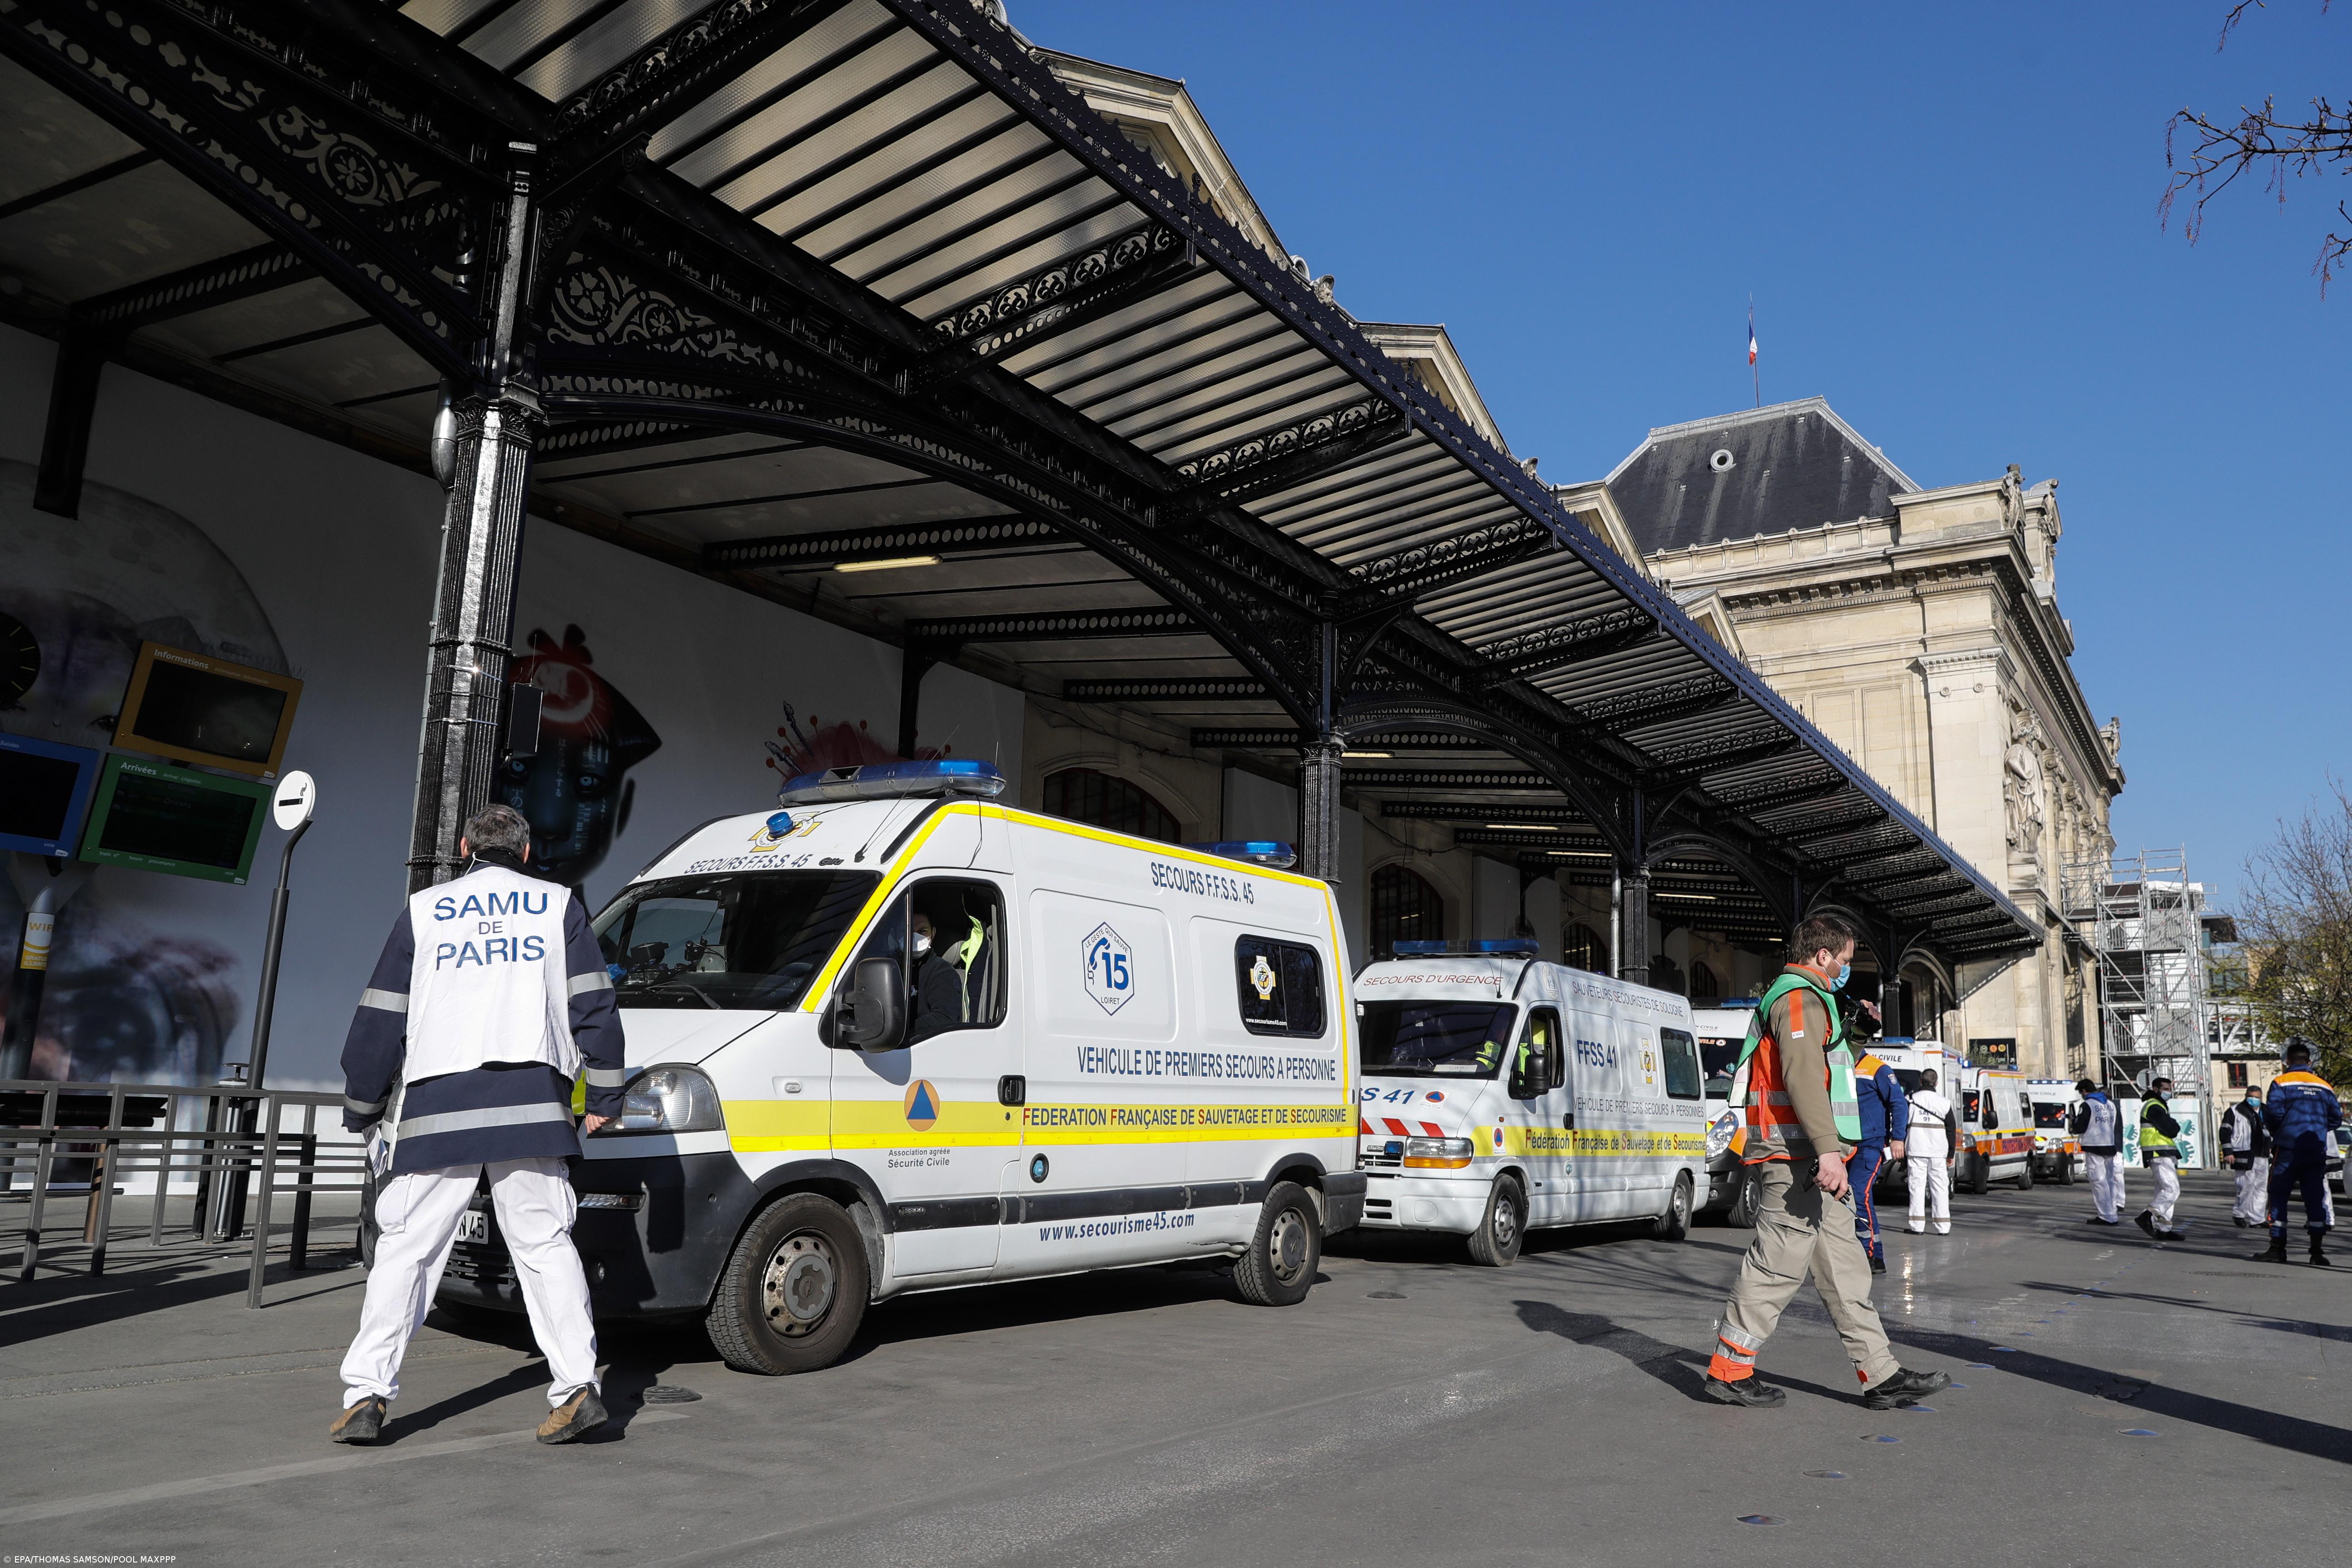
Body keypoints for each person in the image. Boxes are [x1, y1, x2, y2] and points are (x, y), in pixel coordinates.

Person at [330, 804, 626, 1446]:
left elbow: (381, 1013)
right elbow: (591, 1001)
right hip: (533, 1104)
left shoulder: (425, 909)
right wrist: (604, 1090)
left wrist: (363, 1102)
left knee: (407, 1248)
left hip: (441, 1104)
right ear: (524, 853)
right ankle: (576, 1387)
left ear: (465, 847)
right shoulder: (558, 904)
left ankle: (367, 1397)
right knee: (546, 1245)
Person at [1703, 914, 1949, 1411]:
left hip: (1811, 1158)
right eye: (1844, 961)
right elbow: (1801, 1078)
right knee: (1778, 1262)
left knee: (1846, 1268)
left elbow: (1828, 1069)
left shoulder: (1815, 1003)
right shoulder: (1798, 998)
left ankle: (1881, 1376)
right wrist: (1829, 1152)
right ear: (1822, 957)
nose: (1846, 971)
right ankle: (1728, 1370)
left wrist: (1855, 1034)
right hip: (1797, 1158)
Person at [2257, 1039, 2343, 1266]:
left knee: (2278, 1196)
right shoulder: (2324, 1086)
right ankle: (2316, 1252)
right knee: (2315, 1198)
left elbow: (2273, 1113)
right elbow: (2336, 1118)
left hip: (2287, 1148)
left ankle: (2278, 1249)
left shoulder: (2281, 1082)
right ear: (2310, 1061)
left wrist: (2280, 1131)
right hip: (2315, 1150)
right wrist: (2318, 1129)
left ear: (2287, 1062)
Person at [1849, 1047, 1910, 1273]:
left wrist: (1898, 1138)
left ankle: (1869, 1252)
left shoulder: (1877, 1068)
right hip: (1845, 1143)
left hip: (1870, 1143)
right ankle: (1871, 1253)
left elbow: (1899, 1104)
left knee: (1858, 1192)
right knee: (1856, 1197)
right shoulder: (1839, 1065)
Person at [1903, 1068, 1958, 1236]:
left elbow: (1902, 1125)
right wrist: (1950, 1154)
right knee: (1940, 1188)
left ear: (1921, 1081)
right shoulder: (1945, 1103)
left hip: (1916, 1149)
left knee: (1916, 1187)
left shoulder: (1910, 1100)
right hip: (1938, 1152)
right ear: (1937, 1083)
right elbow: (1951, 1129)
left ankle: (1917, 1226)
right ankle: (1943, 1227)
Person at [2069, 1077, 2125, 1226]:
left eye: (2081, 1093)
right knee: (2109, 1180)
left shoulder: (2088, 1105)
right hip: (2110, 1145)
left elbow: (2080, 1127)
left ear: (2084, 1091)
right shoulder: (2111, 1105)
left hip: (2094, 1146)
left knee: (2098, 1181)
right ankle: (2112, 1211)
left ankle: (2106, 1216)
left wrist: (2074, 1123)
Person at [2134, 1078, 2185, 1241]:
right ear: (2156, 1089)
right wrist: (2174, 1126)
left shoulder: (2158, 1105)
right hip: (2159, 1153)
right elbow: (2171, 1129)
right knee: (2172, 1190)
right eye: (2165, 1089)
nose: (2168, 1092)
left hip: (2161, 1152)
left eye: (2170, 1089)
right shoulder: (2154, 1106)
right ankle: (2148, 1215)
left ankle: (2164, 1228)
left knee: (2163, 1190)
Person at [2222, 1082, 2271, 1228]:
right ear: (2246, 1096)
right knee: (2245, 1186)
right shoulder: (2235, 1111)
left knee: (2261, 1188)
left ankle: (2257, 1218)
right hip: (2243, 1153)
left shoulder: (2266, 1111)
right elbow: (2225, 1132)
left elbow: (2273, 1130)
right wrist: (2228, 1152)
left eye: (2257, 1097)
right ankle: (2239, 1213)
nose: (2254, 1100)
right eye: (2251, 1097)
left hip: (2262, 1154)